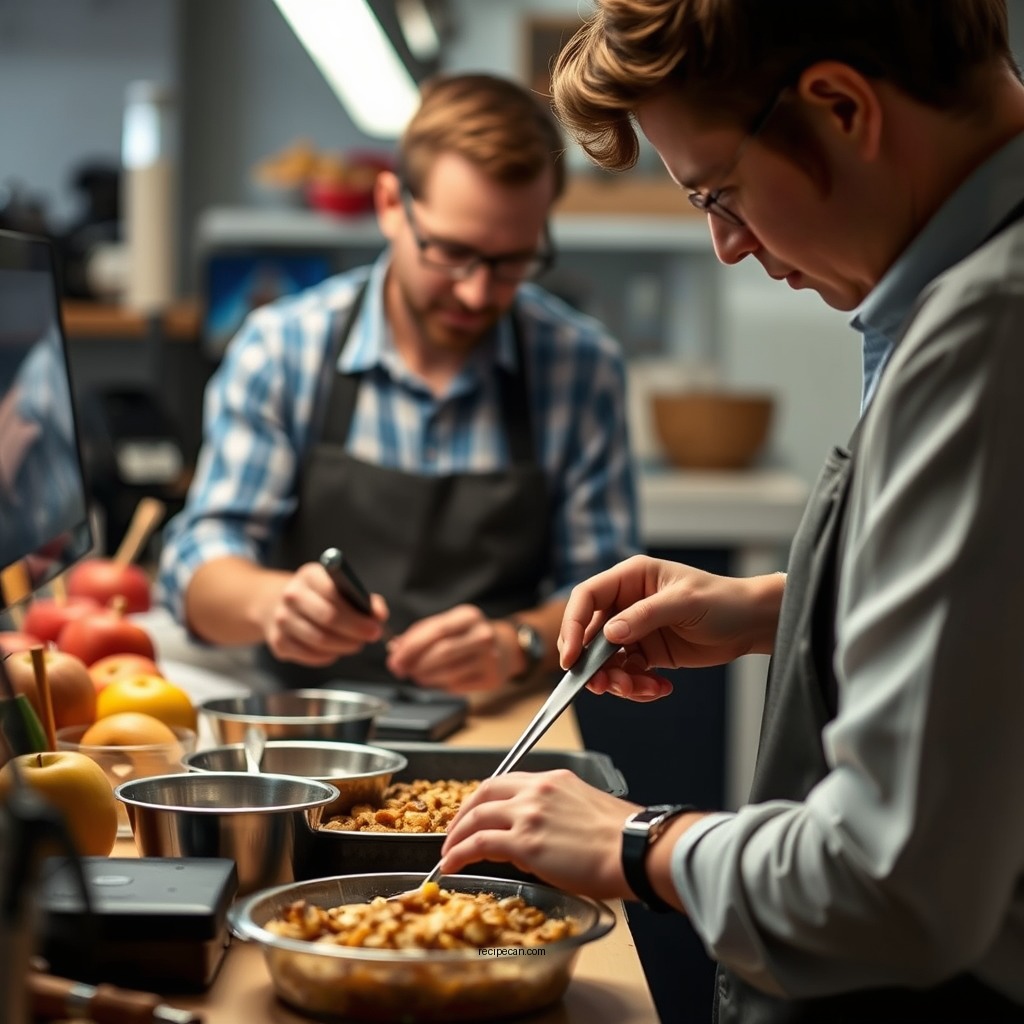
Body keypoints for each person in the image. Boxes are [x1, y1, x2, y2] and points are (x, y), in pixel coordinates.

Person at [438, 2, 1024, 1020]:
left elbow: (891, 884)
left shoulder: (986, 337)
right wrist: (772, 609)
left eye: (718, 192)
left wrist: (631, 840)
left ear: (841, 108)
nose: (726, 244)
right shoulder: (957, 295)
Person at [158, 73, 638, 693]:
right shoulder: (284, 349)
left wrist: (515, 642)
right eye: (451, 251)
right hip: (312, 727)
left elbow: (608, 596)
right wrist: (273, 604)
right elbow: (198, 559)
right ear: (390, 205)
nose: (476, 291)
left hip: (500, 723)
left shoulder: (579, 368)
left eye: (512, 261)